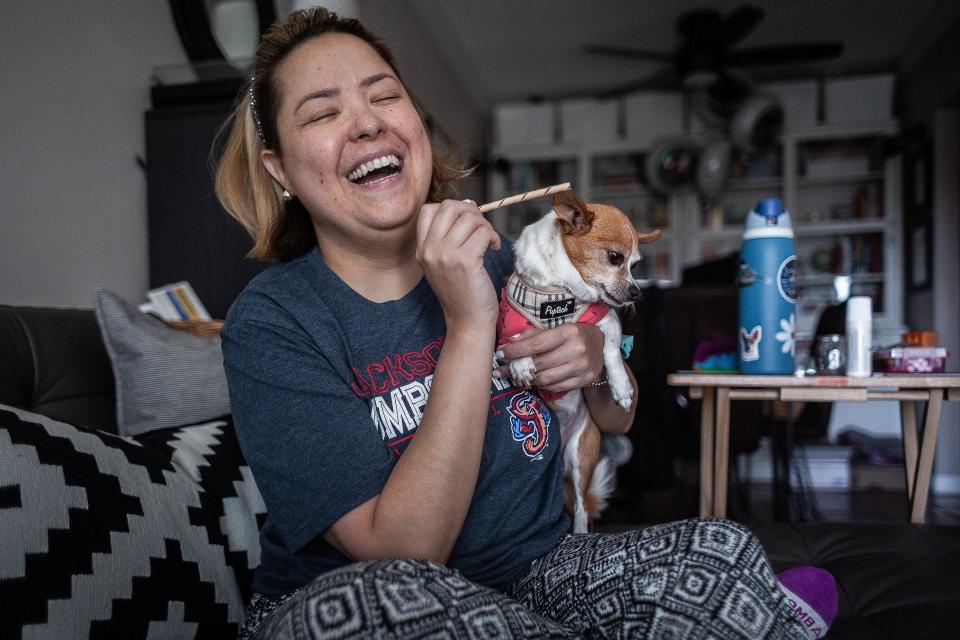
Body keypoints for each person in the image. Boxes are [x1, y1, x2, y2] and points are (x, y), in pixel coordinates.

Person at [216, 7, 815, 639]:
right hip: (372, 601)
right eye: (322, 112)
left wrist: (592, 354)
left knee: (722, 550)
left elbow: (620, 417)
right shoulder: (273, 322)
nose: (366, 123)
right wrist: (472, 324)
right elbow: (406, 554)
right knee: (381, 604)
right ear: (279, 169)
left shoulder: (512, 262)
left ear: (414, 126)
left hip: (538, 575)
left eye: (384, 95)